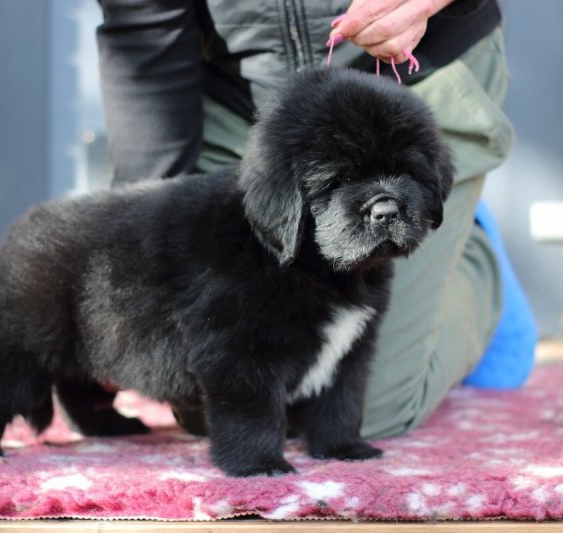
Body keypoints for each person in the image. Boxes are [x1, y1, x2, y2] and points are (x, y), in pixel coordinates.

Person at [95, 0, 535, 440]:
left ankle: (466, 248)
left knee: (367, 410)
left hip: (415, 85)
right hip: (246, 113)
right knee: (214, 395)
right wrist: (134, 269)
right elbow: (143, 27)